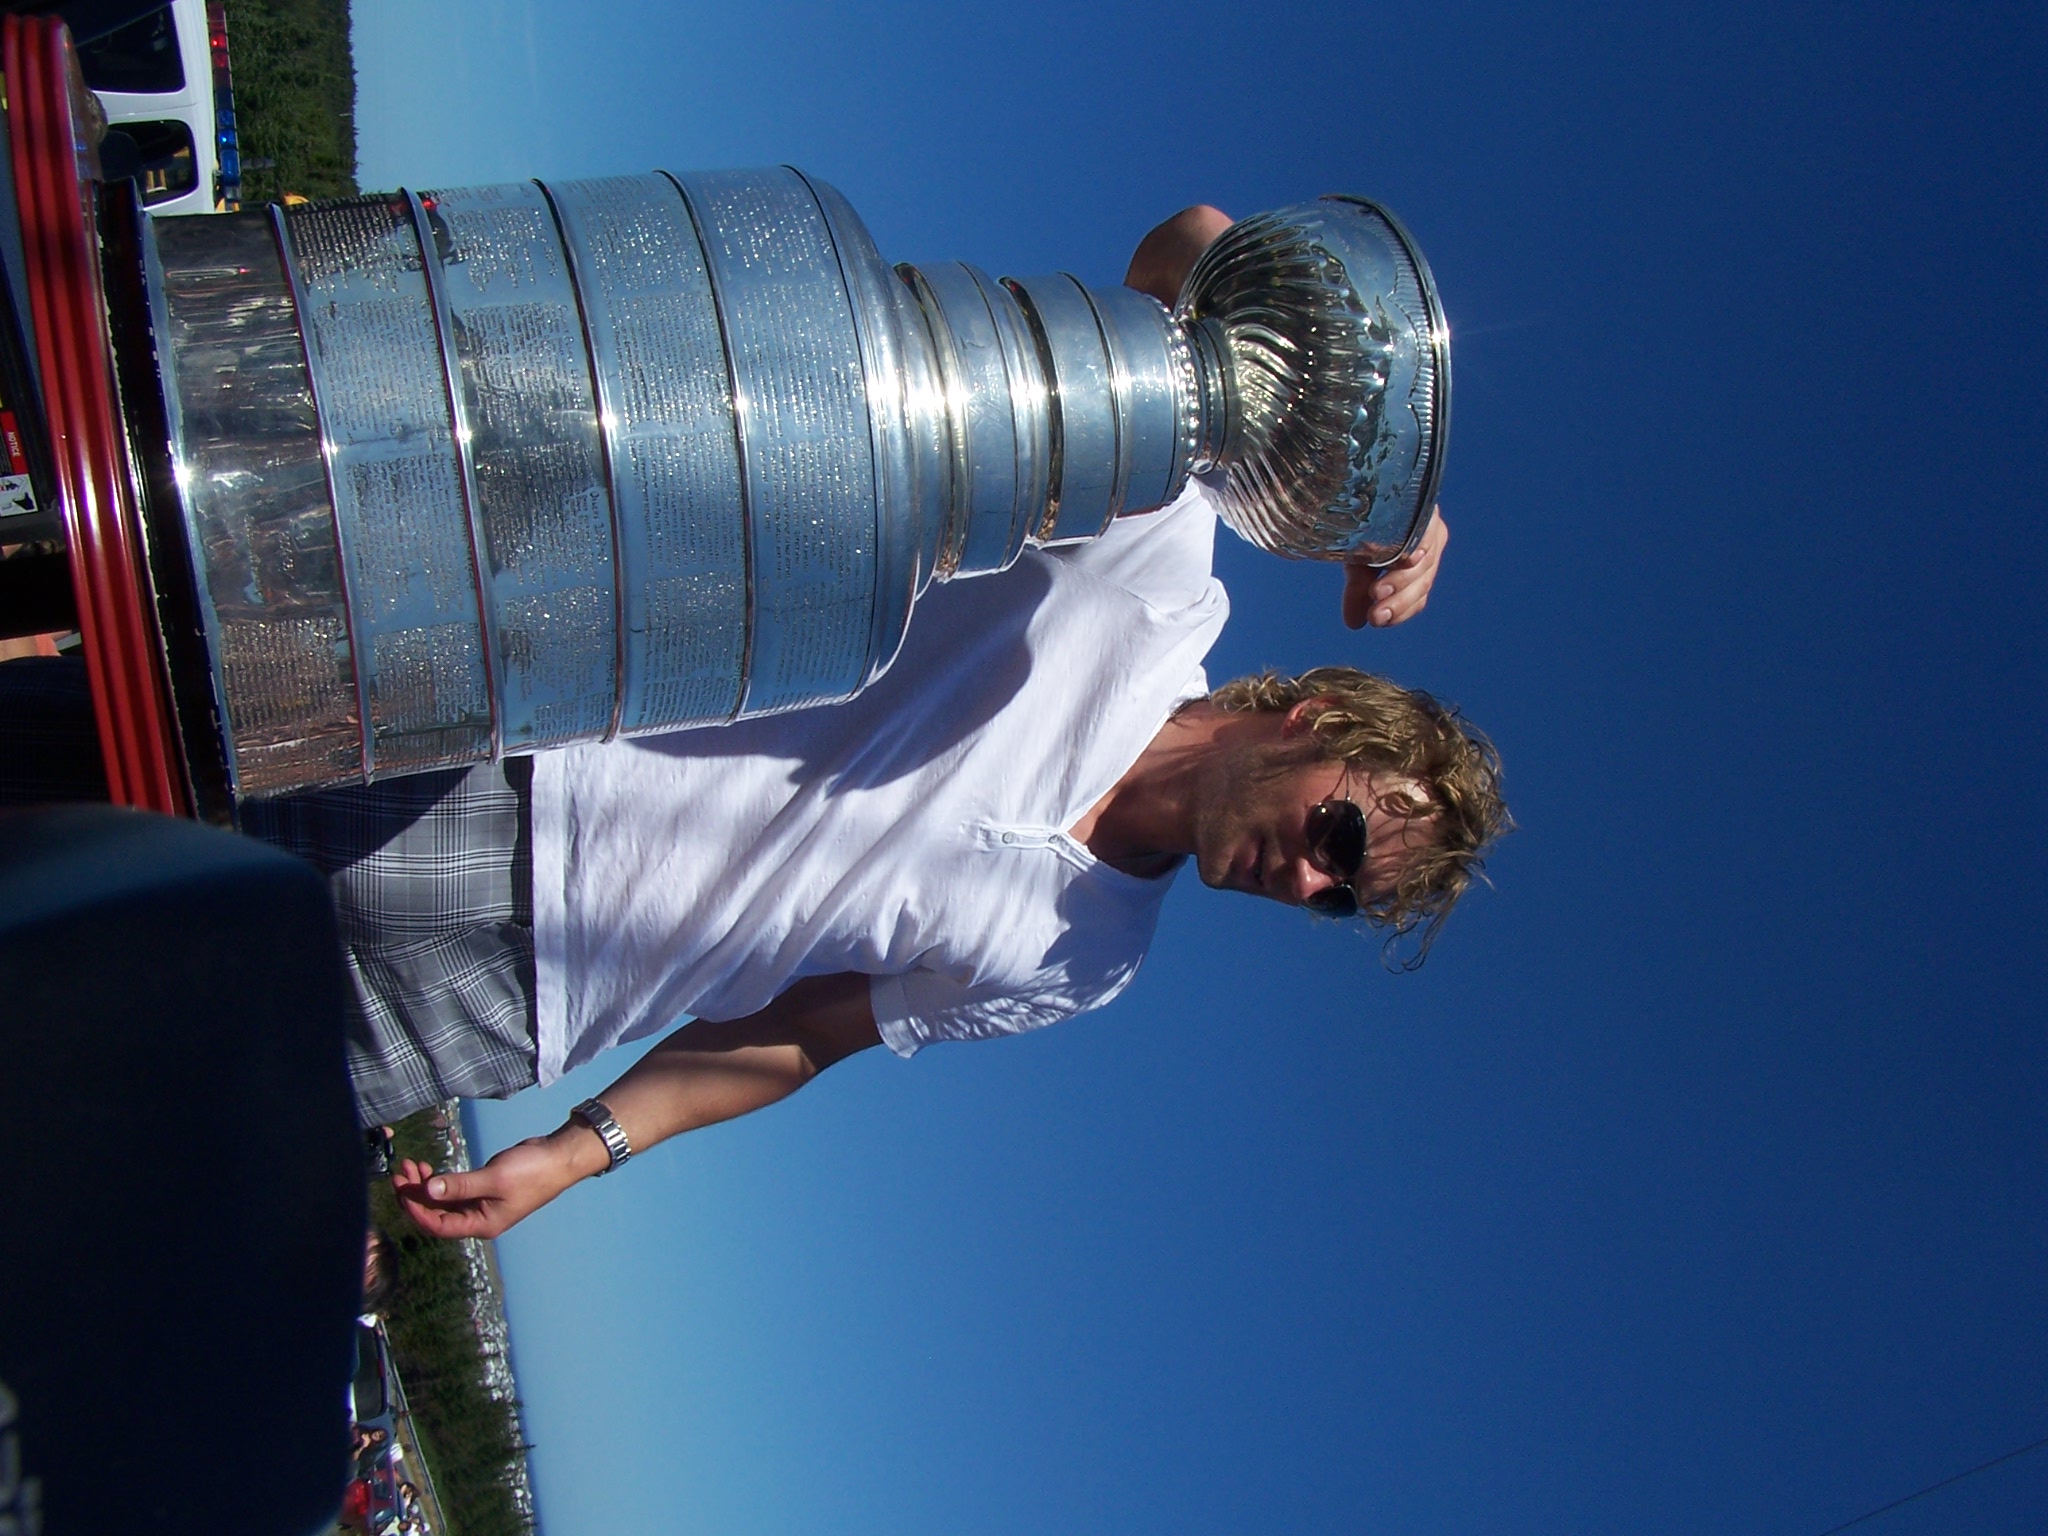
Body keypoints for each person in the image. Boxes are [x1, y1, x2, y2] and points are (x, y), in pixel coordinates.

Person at [237, 208, 1501, 1239]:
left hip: (529, 1000)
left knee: (164, 1082)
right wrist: (1379, 500)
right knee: (129, 799)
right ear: (1317, 718)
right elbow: (1188, 253)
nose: (1308, 882)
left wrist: (580, 1151)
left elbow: (803, 1032)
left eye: (1338, 900)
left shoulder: (1090, 964)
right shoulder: (1156, 581)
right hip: (510, 767)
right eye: (1340, 837)